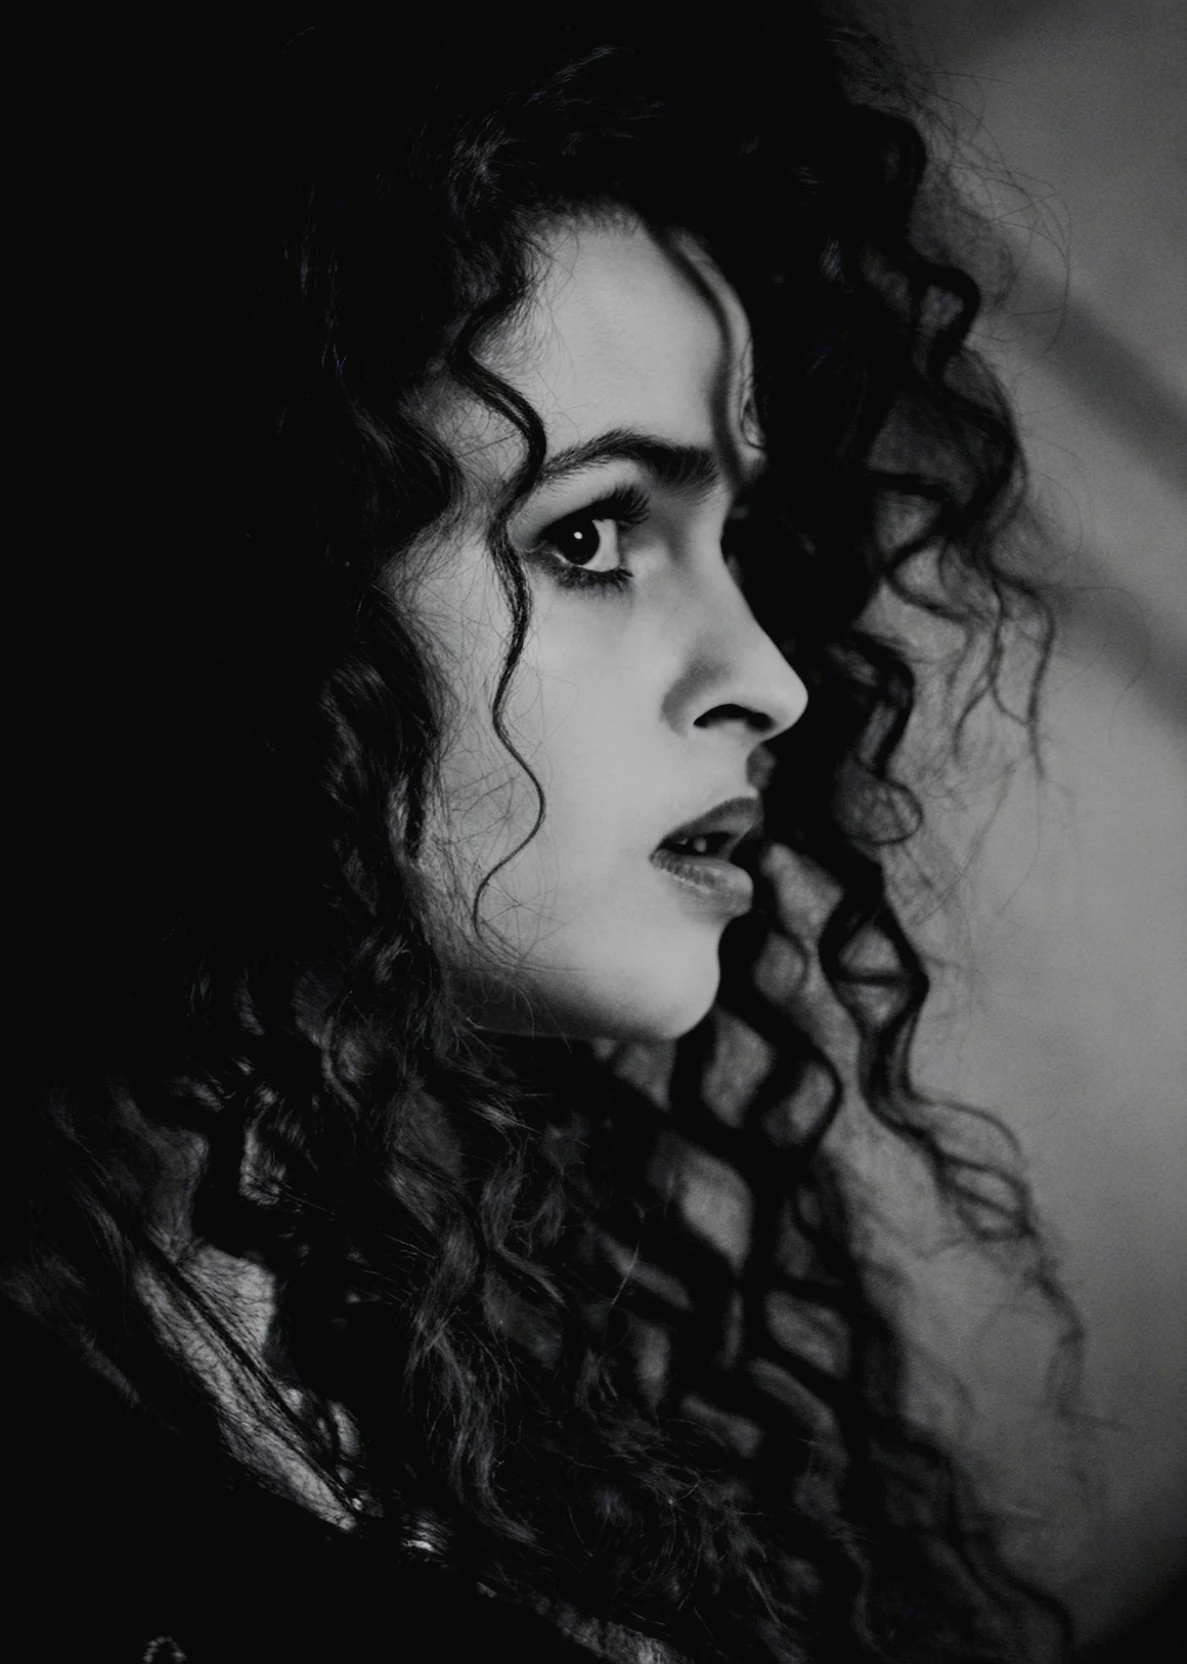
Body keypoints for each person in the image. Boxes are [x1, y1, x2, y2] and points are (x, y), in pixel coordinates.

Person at [7, 11, 1072, 1662]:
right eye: (587, 537)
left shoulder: (402, 1318)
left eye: (731, 533)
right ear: (226, 583)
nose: (772, 679)